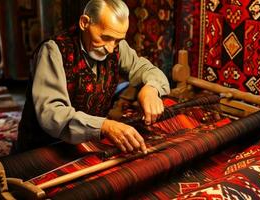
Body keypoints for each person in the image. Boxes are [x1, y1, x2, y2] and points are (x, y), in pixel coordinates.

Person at [14, 0, 170, 154]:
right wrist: (105, 126)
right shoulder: (53, 51)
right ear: (84, 23)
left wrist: (151, 88)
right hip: (43, 149)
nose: (110, 48)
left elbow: (145, 69)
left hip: (85, 145)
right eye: (105, 37)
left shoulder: (115, 45)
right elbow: (53, 114)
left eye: (117, 40)